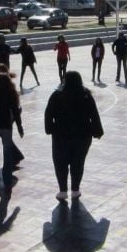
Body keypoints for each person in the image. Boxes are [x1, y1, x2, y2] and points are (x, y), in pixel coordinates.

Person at [45, 71, 104, 200]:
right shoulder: (86, 96)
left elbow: (48, 114)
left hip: (61, 135)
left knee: (60, 163)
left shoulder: (57, 95)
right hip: (82, 136)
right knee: (78, 163)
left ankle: (63, 191)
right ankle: (75, 190)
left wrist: (50, 129)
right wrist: (98, 131)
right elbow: (94, 114)